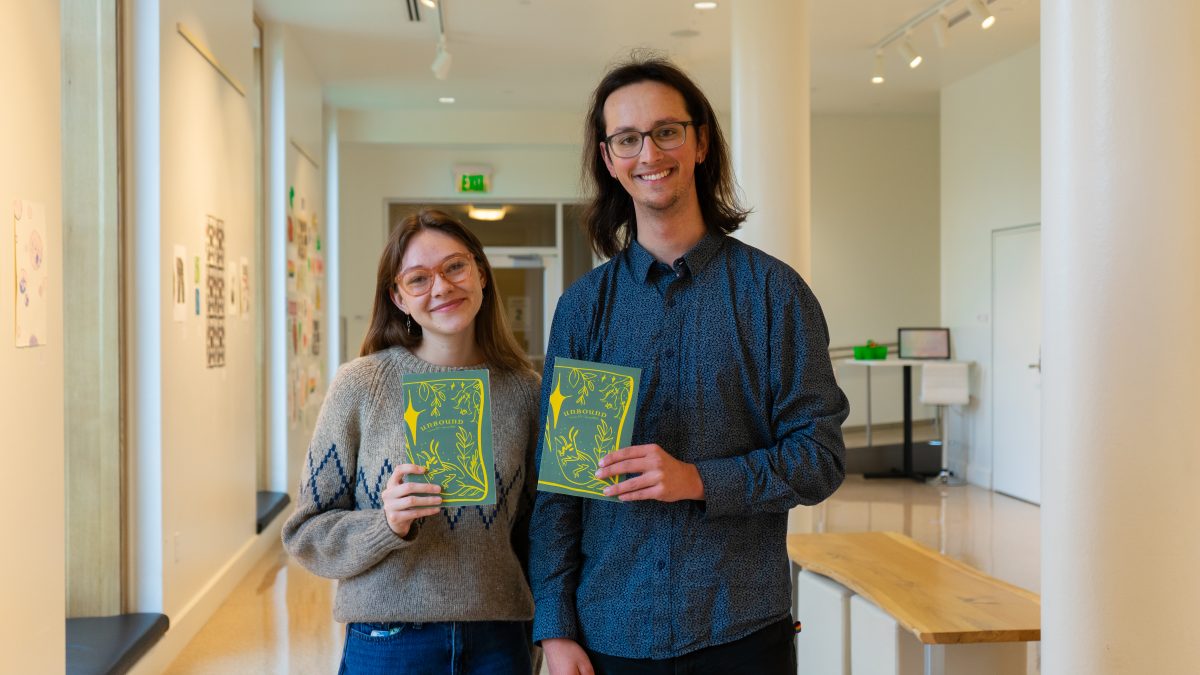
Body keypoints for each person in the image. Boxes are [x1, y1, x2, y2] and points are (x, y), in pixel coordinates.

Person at [528, 56, 850, 675]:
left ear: (700, 141)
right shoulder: (584, 308)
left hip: (740, 629)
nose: (648, 151)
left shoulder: (773, 295)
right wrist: (555, 627)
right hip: (608, 632)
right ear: (609, 157)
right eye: (627, 138)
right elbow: (561, 489)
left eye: (666, 130)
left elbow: (822, 458)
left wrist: (698, 480)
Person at [283, 208, 541, 675]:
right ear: (398, 297)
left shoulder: (524, 390)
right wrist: (387, 523)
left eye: (455, 267)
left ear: (481, 273)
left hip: (497, 639)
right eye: (418, 279)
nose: (441, 287)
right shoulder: (361, 385)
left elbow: (537, 529)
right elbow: (306, 534)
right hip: (389, 640)